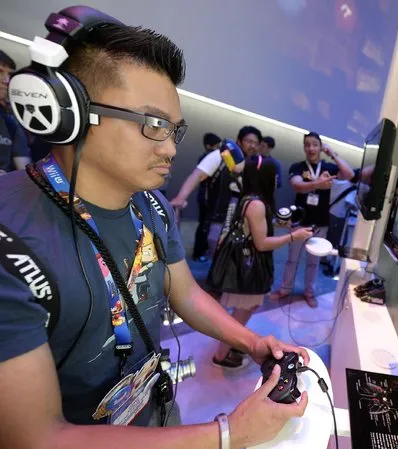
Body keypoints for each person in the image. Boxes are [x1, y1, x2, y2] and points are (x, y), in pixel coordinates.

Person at [0, 8, 308, 448]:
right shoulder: (10, 238)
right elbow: (37, 437)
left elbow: (184, 292)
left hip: (157, 417)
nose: (168, 147)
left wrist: (252, 340)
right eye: (152, 124)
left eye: (173, 129)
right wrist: (227, 434)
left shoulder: (151, 205)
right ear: (70, 112)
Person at [213, 157, 313, 368]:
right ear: (265, 176)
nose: (277, 179)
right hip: (248, 268)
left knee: (244, 311)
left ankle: (231, 346)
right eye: (275, 175)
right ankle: (221, 356)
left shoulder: (250, 199)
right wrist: (294, 236)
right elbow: (262, 243)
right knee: (240, 315)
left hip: (246, 264)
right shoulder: (257, 204)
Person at [271, 132, 354, 307]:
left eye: (315, 144)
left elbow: (349, 174)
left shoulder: (329, 167)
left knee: (313, 262)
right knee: (292, 259)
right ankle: (285, 290)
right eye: (307, 144)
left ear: (320, 147)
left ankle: (309, 292)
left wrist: (332, 154)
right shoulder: (298, 166)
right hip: (299, 221)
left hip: (320, 222)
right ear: (304, 147)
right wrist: (319, 184)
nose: (311, 148)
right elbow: (297, 186)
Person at [170, 126, 262, 261]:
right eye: (249, 141)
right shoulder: (221, 155)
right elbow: (197, 175)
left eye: (256, 143)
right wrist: (180, 197)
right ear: (239, 141)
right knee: (218, 249)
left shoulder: (259, 163)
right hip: (219, 215)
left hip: (245, 219)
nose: (252, 146)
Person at [0, 49, 31, 175]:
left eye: (9, 75)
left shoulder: (10, 123)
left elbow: (24, 170)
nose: (6, 81)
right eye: (0, 72)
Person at [192, 132, 222, 261]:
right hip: (207, 198)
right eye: (216, 146)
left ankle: (203, 251)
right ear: (208, 146)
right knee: (205, 225)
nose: (219, 149)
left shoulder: (207, 156)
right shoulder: (208, 158)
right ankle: (199, 253)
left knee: (206, 225)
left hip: (208, 198)